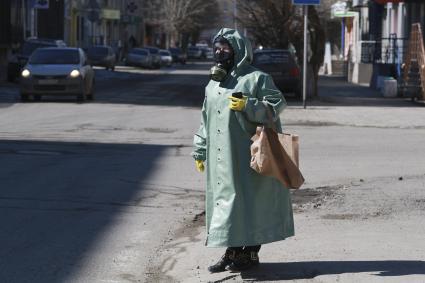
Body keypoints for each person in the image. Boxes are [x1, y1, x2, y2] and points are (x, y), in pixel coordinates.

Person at [192, 28, 295, 273]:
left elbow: (277, 104)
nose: (220, 52)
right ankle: (233, 252)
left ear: (238, 50)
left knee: (250, 204)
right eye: (217, 47)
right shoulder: (214, 83)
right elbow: (205, 119)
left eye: (225, 47)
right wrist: (199, 149)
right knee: (226, 205)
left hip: (249, 155)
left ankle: (248, 253)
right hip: (221, 157)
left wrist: (250, 105)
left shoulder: (256, 78)